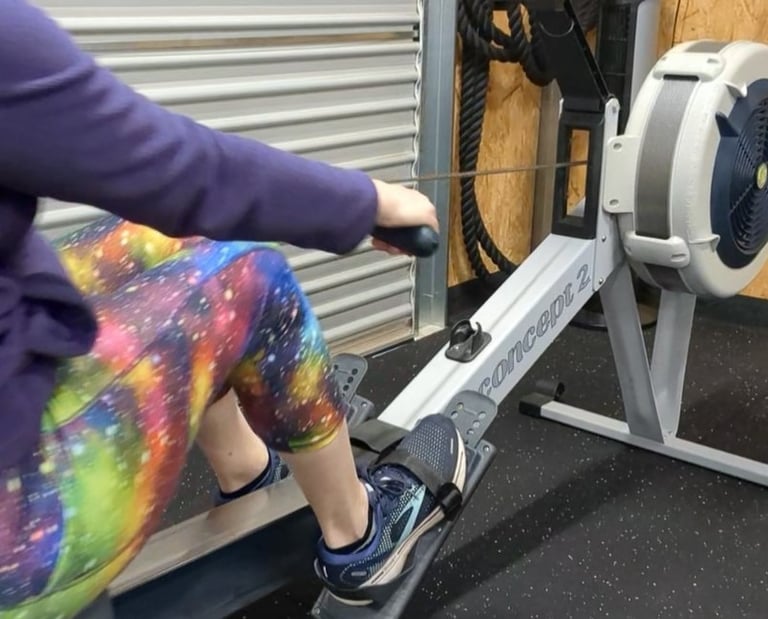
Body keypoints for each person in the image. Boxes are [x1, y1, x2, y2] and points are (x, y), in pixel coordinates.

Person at [0, 1, 467, 618]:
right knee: (251, 277)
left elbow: (168, 194)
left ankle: (248, 471)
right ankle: (361, 536)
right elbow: (178, 170)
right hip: (21, 532)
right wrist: (368, 201)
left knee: (174, 236)